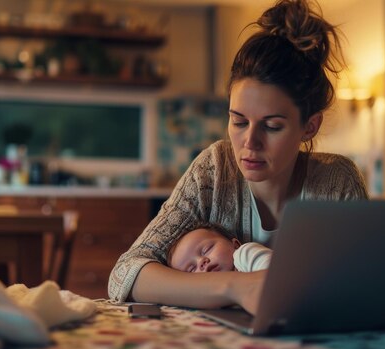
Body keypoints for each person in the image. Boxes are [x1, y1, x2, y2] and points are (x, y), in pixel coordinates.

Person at [109, 0, 369, 315]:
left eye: (272, 126)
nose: (250, 142)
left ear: (309, 126)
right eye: (239, 121)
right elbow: (125, 274)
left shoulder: (337, 181)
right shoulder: (214, 170)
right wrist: (235, 287)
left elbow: (361, 283)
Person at [167, 222, 272, 273]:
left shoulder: (244, 255)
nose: (201, 262)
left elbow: (275, 275)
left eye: (206, 250)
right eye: (192, 269)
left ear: (235, 244)